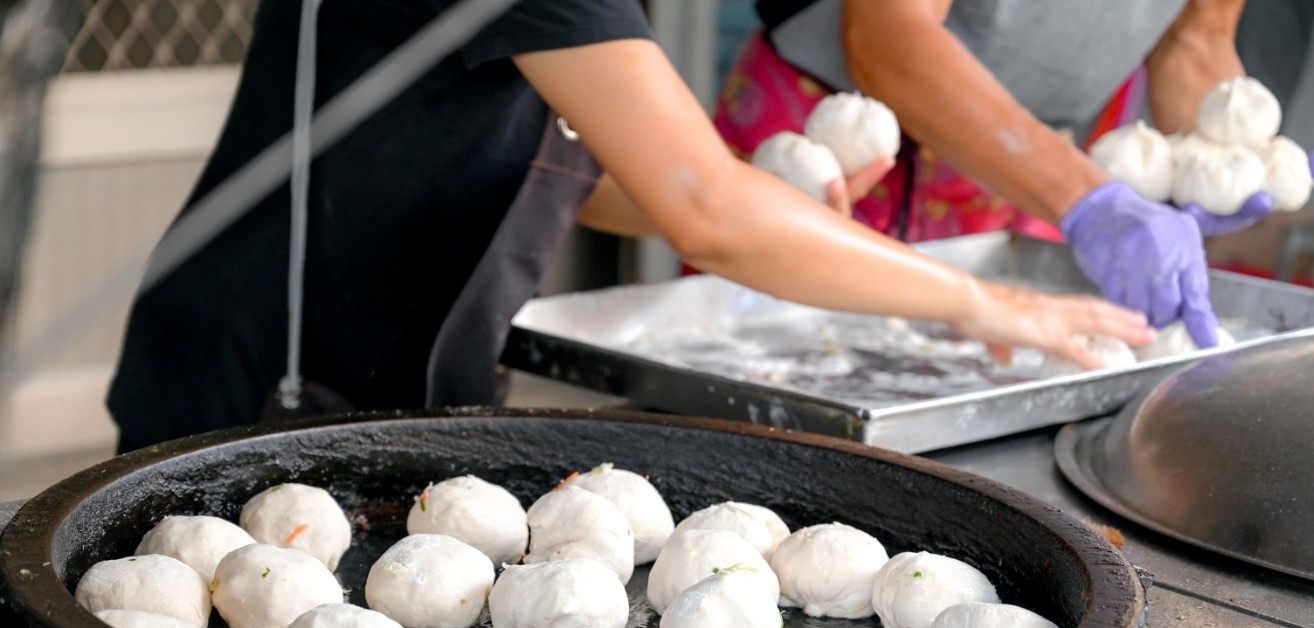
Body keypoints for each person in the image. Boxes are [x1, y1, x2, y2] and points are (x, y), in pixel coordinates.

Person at [107, 0, 1152, 453]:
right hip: (266, 373)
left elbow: (575, 166)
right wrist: (980, 296)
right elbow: (704, 212)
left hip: (393, 355)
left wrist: (760, 186)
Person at [715, 0, 1268, 349]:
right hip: (839, 146)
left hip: (1033, 172)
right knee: (761, 361)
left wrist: (1217, 159)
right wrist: (1089, 200)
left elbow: (1195, 38)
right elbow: (887, 33)